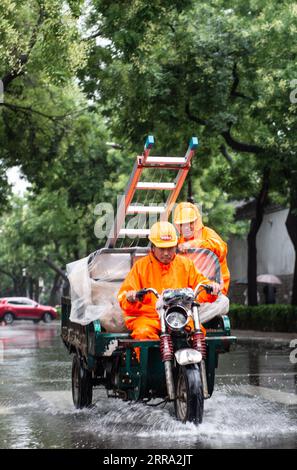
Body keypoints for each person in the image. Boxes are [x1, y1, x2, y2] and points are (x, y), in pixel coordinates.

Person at [117, 221, 220, 345]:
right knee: (143, 333)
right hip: (148, 318)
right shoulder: (141, 267)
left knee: (198, 333)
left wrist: (211, 288)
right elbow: (123, 296)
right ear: (153, 247)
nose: (166, 253)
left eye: (170, 248)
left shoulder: (186, 264)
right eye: (162, 248)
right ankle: (150, 364)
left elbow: (201, 285)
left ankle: (200, 363)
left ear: (176, 246)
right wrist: (131, 297)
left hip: (179, 316)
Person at [173, 202, 230, 295]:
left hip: (213, 289)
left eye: (190, 223)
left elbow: (221, 248)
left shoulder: (207, 233)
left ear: (197, 221)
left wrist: (194, 244)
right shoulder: (178, 241)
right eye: (183, 224)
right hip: (188, 292)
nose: (187, 227)